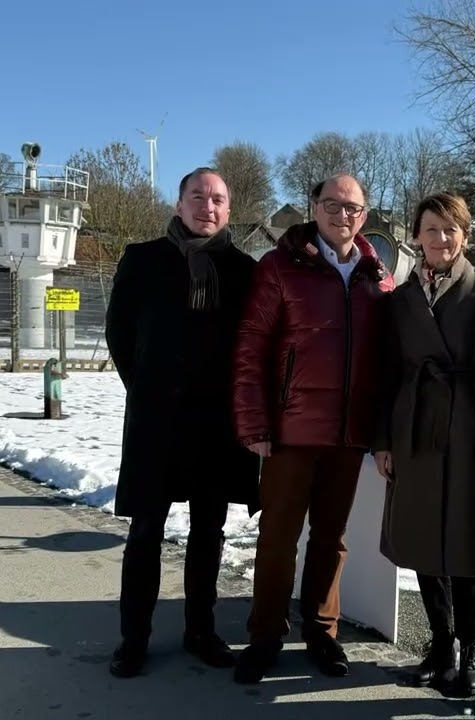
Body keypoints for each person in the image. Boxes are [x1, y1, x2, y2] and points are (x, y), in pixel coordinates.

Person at [230, 173, 396, 684]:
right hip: (289, 432)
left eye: (352, 207)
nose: (341, 214)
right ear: (314, 208)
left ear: (363, 215)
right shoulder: (280, 266)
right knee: (277, 537)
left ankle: (322, 631)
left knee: (331, 537)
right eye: (332, 204)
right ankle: (264, 636)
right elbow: (251, 348)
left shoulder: (376, 277)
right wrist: (255, 421)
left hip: (348, 434)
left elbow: (390, 359)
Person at [104, 167, 261, 679]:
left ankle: (201, 629)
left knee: (209, 531)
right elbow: (120, 333)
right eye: (198, 196)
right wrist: (149, 388)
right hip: (157, 422)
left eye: (217, 199)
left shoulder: (243, 269)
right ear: (179, 204)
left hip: (216, 425)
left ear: (228, 209)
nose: (207, 207)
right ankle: (134, 638)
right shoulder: (144, 259)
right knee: (147, 531)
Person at [373, 192, 475, 697]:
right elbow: (388, 372)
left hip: (469, 428)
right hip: (414, 428)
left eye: (451, 229)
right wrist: (383, 440)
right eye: (431, 229)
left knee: (467, 544)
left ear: (465, 236)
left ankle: (472, 647)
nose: (441, 238)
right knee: (423, 541)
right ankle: (440, 643)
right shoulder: (402, 298)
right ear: (416, 236)